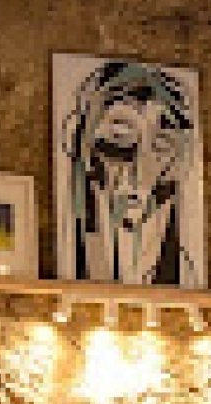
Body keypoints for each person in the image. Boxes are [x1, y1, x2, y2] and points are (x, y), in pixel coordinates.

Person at [59, 60, 200, 284]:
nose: (139, 172)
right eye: (119, 141)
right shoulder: (72, 254)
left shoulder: (186, 273)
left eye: (161, 146)